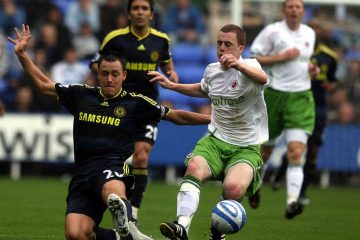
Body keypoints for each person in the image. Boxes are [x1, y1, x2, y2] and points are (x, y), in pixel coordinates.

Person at [8, 24, 210, 240]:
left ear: (124, 75)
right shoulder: (82, 95)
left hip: (113, 169)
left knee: (113, 193)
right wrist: (22, 55)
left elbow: (175, 116)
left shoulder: (135, 103)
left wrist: (210, 119)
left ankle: (123, 213)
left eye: (115, 74)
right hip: (83, 175)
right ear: (98, 74)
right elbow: (43, 85)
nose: (109, 79)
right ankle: (126, 236)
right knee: (76, 234)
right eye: (105, 74)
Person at [149, 24, 269, 240]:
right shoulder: (212, 70)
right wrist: (172, 86)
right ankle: (182, 228)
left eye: (228, 44)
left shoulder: (250, 67)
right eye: (219, 43)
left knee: (233, 189)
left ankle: (218, 231)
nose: (222, 48)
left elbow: (264, 79)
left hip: (246, 147)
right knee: (193, 168)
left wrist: (239, 67)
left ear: (241, 48)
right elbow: (203, 89)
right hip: (215, 139)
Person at [90, 0, 179, 224]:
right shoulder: (115, 38)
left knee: (141, 156)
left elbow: (167, 63)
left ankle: (134, 213)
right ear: (129, 14)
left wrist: (171, 73)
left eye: (144, 8)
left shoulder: (161, 40)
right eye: (136, 8)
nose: (140, 12)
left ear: (151, 14)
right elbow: (96, 63)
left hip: (147, 106)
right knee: (114, 159)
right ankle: (107, 199)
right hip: (119, 107)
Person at [249, 0, 320, 219]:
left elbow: (305, 63)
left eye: (298, 7)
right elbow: (252, 58)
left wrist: (313, 69)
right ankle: (255, 185)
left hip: (301, 98)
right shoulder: (272, 31)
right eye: (290, 6)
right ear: (284, 10)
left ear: (302, 11)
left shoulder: (309, 33)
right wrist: (281, 57)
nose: (294, 10)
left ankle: (292, 201)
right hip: (275, 95)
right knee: (265, 151)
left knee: (297, 151)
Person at [270, 18, 338, 205]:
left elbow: (333, 80)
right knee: (297, 146)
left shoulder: (329, 56)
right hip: (296, 103)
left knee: (313, 150)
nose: (315, 30)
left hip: (319, 107)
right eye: (312, 26)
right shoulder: (295, 51)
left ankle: (302, 192)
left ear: (322, 32)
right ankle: (280, 175)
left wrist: (329, 86)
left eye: (318, 27)